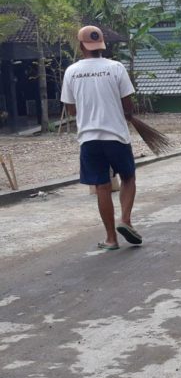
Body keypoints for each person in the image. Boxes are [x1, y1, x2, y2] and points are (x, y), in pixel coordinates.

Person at [61, 25, 142, 250]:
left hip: (88, 138)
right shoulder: (116, 68)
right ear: (102, 44)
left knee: (102, 187)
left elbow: (71, 110)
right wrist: (124, 113)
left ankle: (111, 239)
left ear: (80, 46)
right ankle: (125, 220)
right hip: (116, 135)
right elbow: (128, 105)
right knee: (128, 178)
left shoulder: (71, 71)